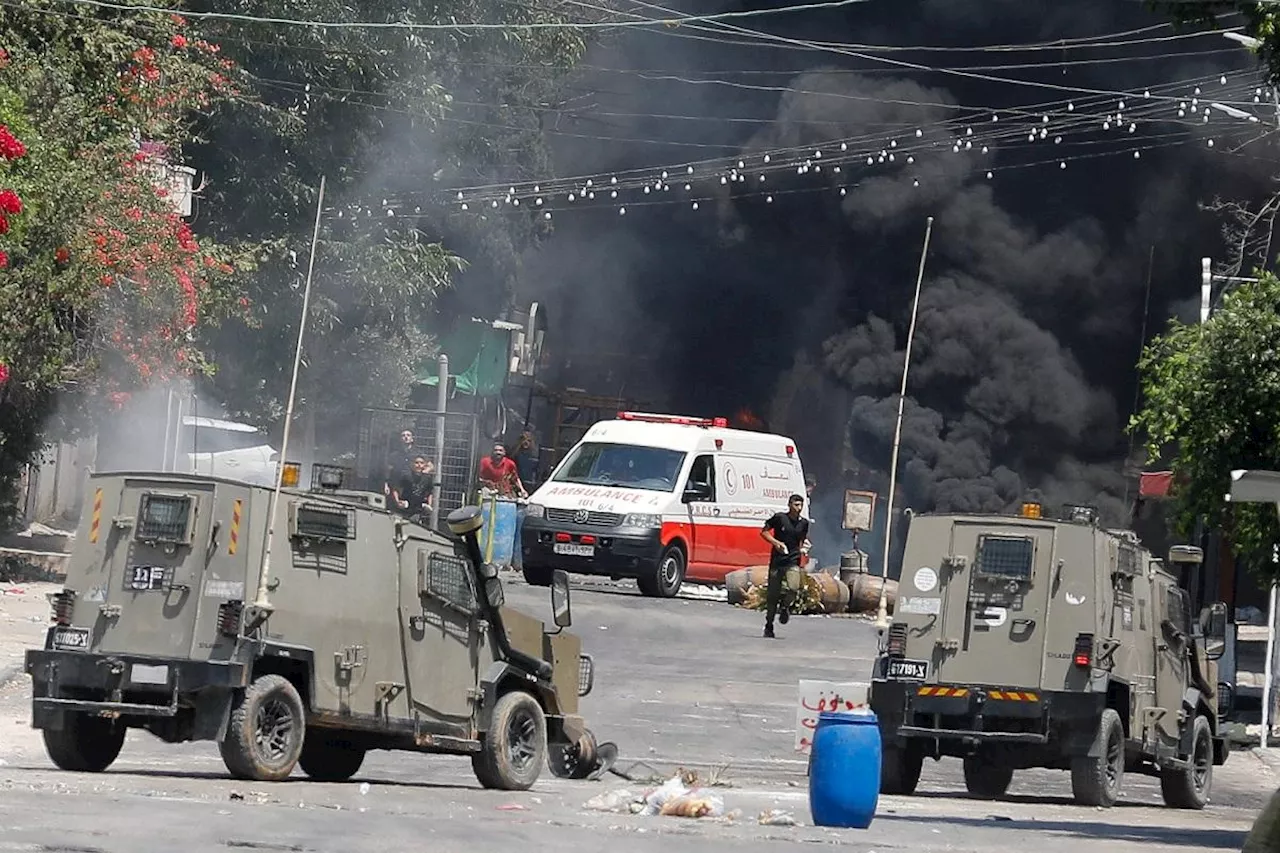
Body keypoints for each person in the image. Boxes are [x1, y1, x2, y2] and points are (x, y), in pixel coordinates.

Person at [759, 493, 811, 638]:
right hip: (777, 561)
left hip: (793, 560)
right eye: (796, 505)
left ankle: (785, 607)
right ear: (789, 505)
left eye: (801, 505)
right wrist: (776, 543)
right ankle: (769, 625)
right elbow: (764, 532)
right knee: (772, 595)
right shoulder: (780, 518)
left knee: (794, 588)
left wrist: (805, 548)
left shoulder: (804, 523)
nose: (799, 508)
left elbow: (803, 540)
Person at [393, 455, 435, 519]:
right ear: (412, 464)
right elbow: (395, 489)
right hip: (404, 508)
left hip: (417, 510)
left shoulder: (427, 478)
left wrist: (429, 505)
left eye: (421, 463)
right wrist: (397, 501)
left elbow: (430, 493)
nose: (419, 465)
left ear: (424, 465)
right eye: (416, 463)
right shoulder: (406, 476)